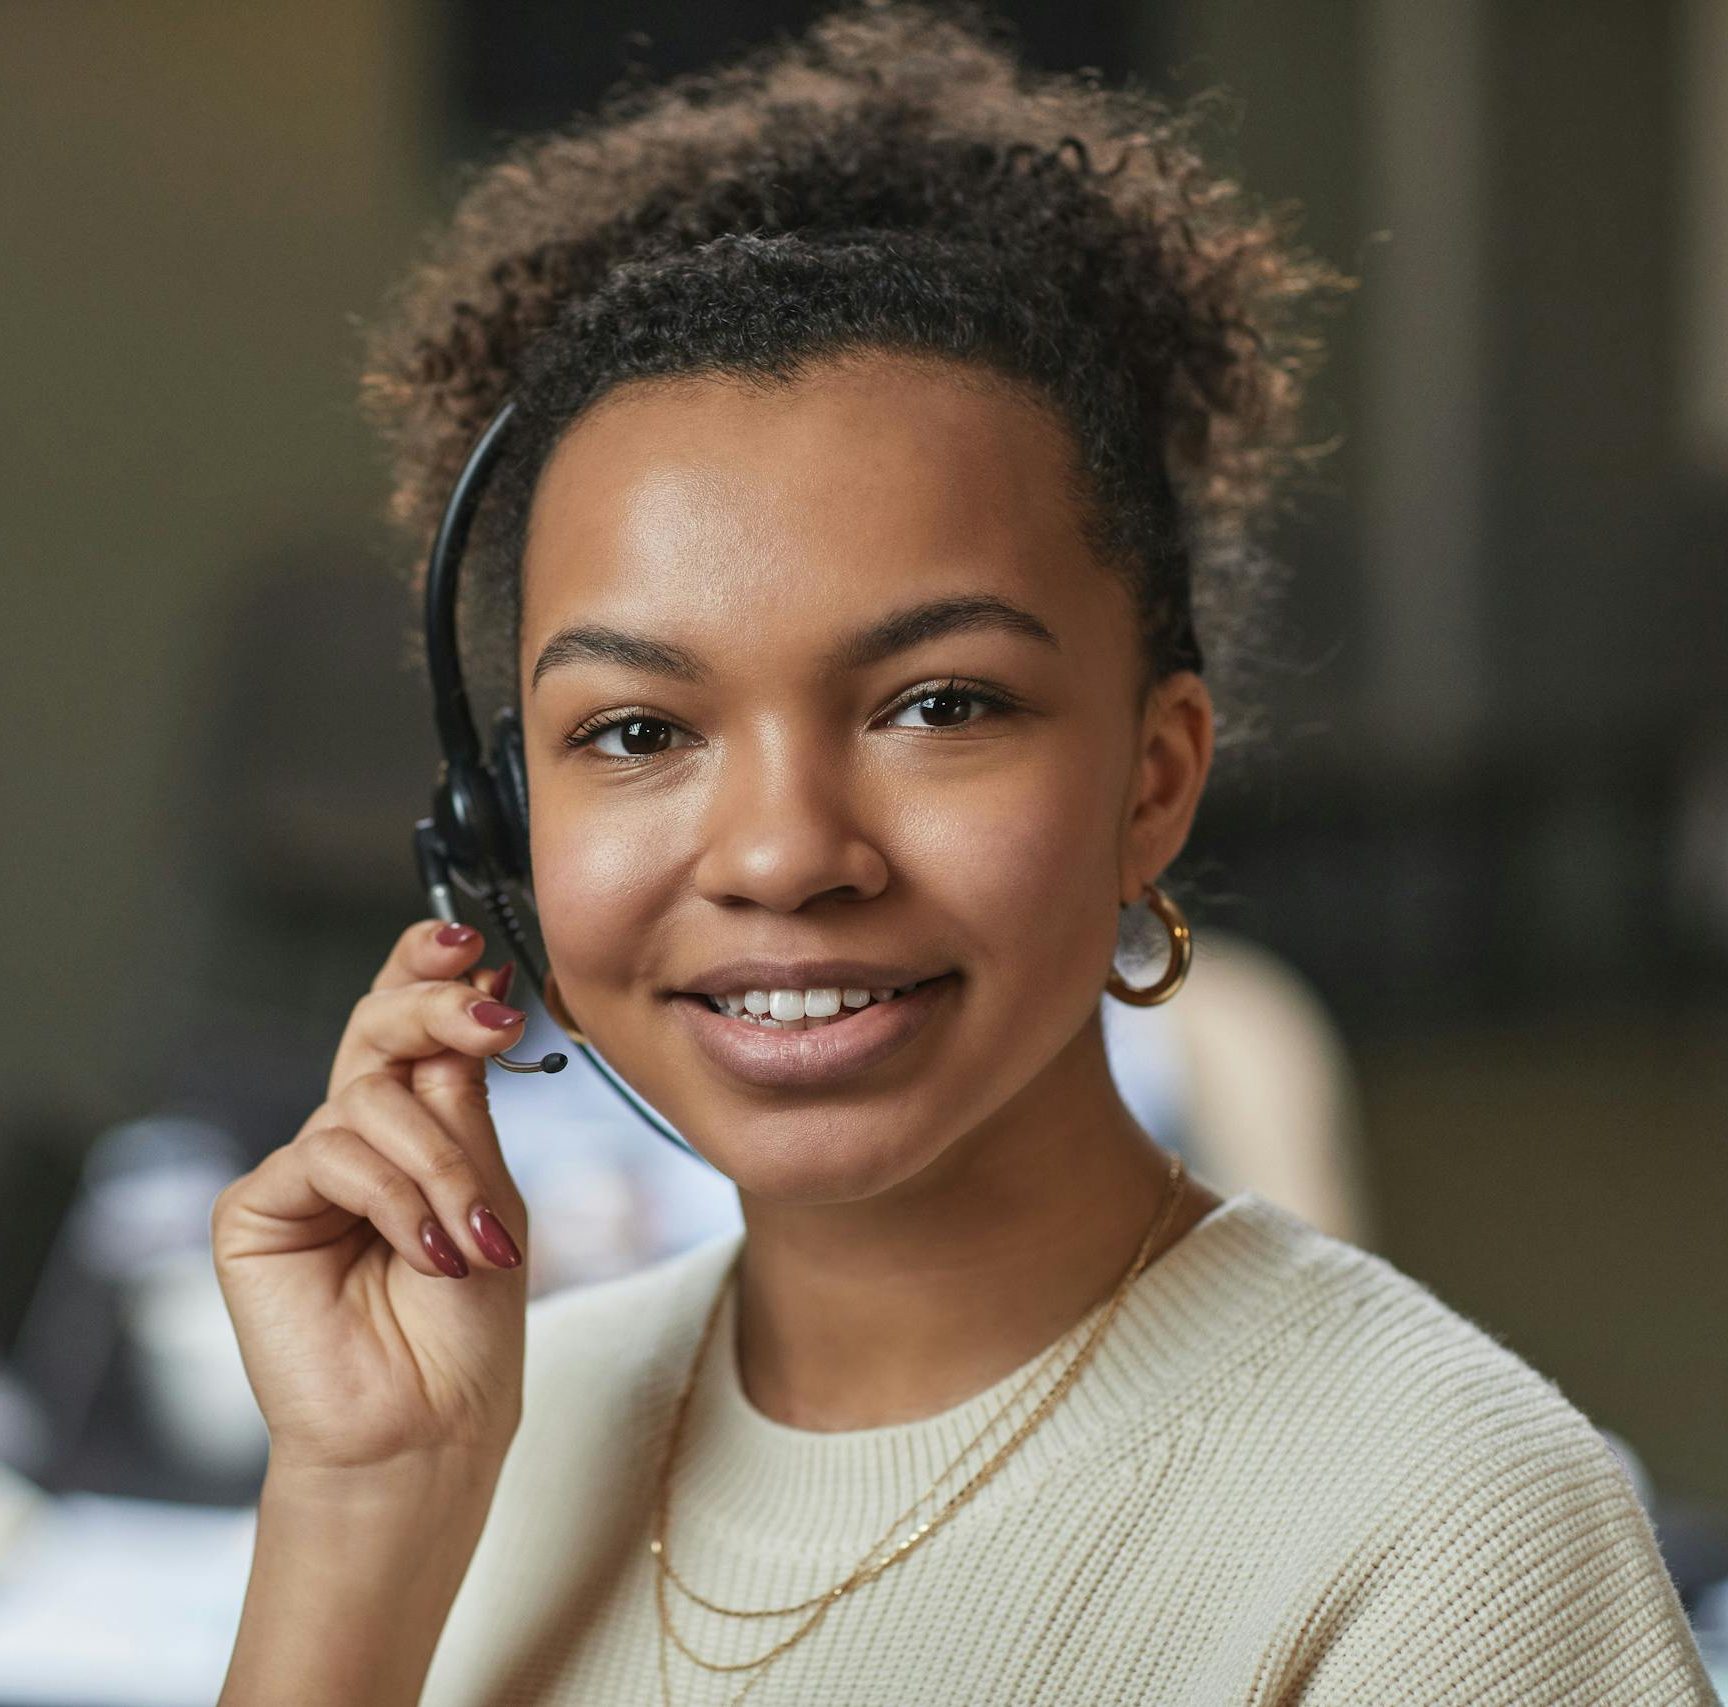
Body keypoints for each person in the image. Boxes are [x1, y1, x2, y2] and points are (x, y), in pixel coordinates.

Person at [209, 3, 1714, 1702]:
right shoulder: (463, 1451)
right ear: (498, 826)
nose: (784, 853)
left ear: (1154, 782)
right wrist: (360, 1508)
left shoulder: (1453, 1532)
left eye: (938, 704)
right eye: (637, 732)